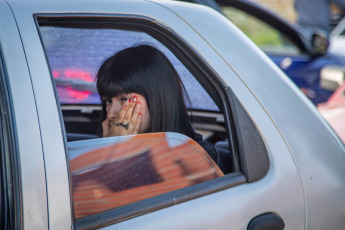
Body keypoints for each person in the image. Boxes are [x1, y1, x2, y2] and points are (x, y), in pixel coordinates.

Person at [96, 44, 224, 171]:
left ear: (156, 97)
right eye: (107, 101)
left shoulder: (198, 155)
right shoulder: (98, 149)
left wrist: (117, 153)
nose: (110, 113)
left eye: (125, 99)